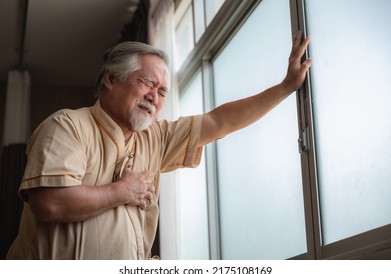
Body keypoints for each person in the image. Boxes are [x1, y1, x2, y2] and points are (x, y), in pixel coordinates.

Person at [6, 31, 312, 260]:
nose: (155, 96)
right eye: (147, 83)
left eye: (163, 91)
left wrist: (286, 87)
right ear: (111, 78)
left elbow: (219, 122)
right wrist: (123, 191)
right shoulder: (67, 125)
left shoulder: (156, 137)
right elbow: (50, 203)